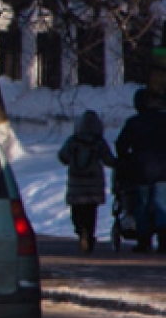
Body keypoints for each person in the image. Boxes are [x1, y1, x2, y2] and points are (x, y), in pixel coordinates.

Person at [59, 110, 117, 253]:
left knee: (77, 211)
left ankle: (80, 231)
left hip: (76, 184)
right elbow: (108, 160)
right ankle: (89, 235)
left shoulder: (73, 141)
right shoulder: (99, 143)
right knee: (91, 212)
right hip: (94, 185)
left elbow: (63, 157)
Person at [116, 89, 166, 252]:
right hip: (163, 170)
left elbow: (121, 145)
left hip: (141, 169)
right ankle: (163, 239)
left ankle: (144, 240)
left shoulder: (134, 122)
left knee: (142, 205)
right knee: (161, 204)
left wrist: (126, 160)